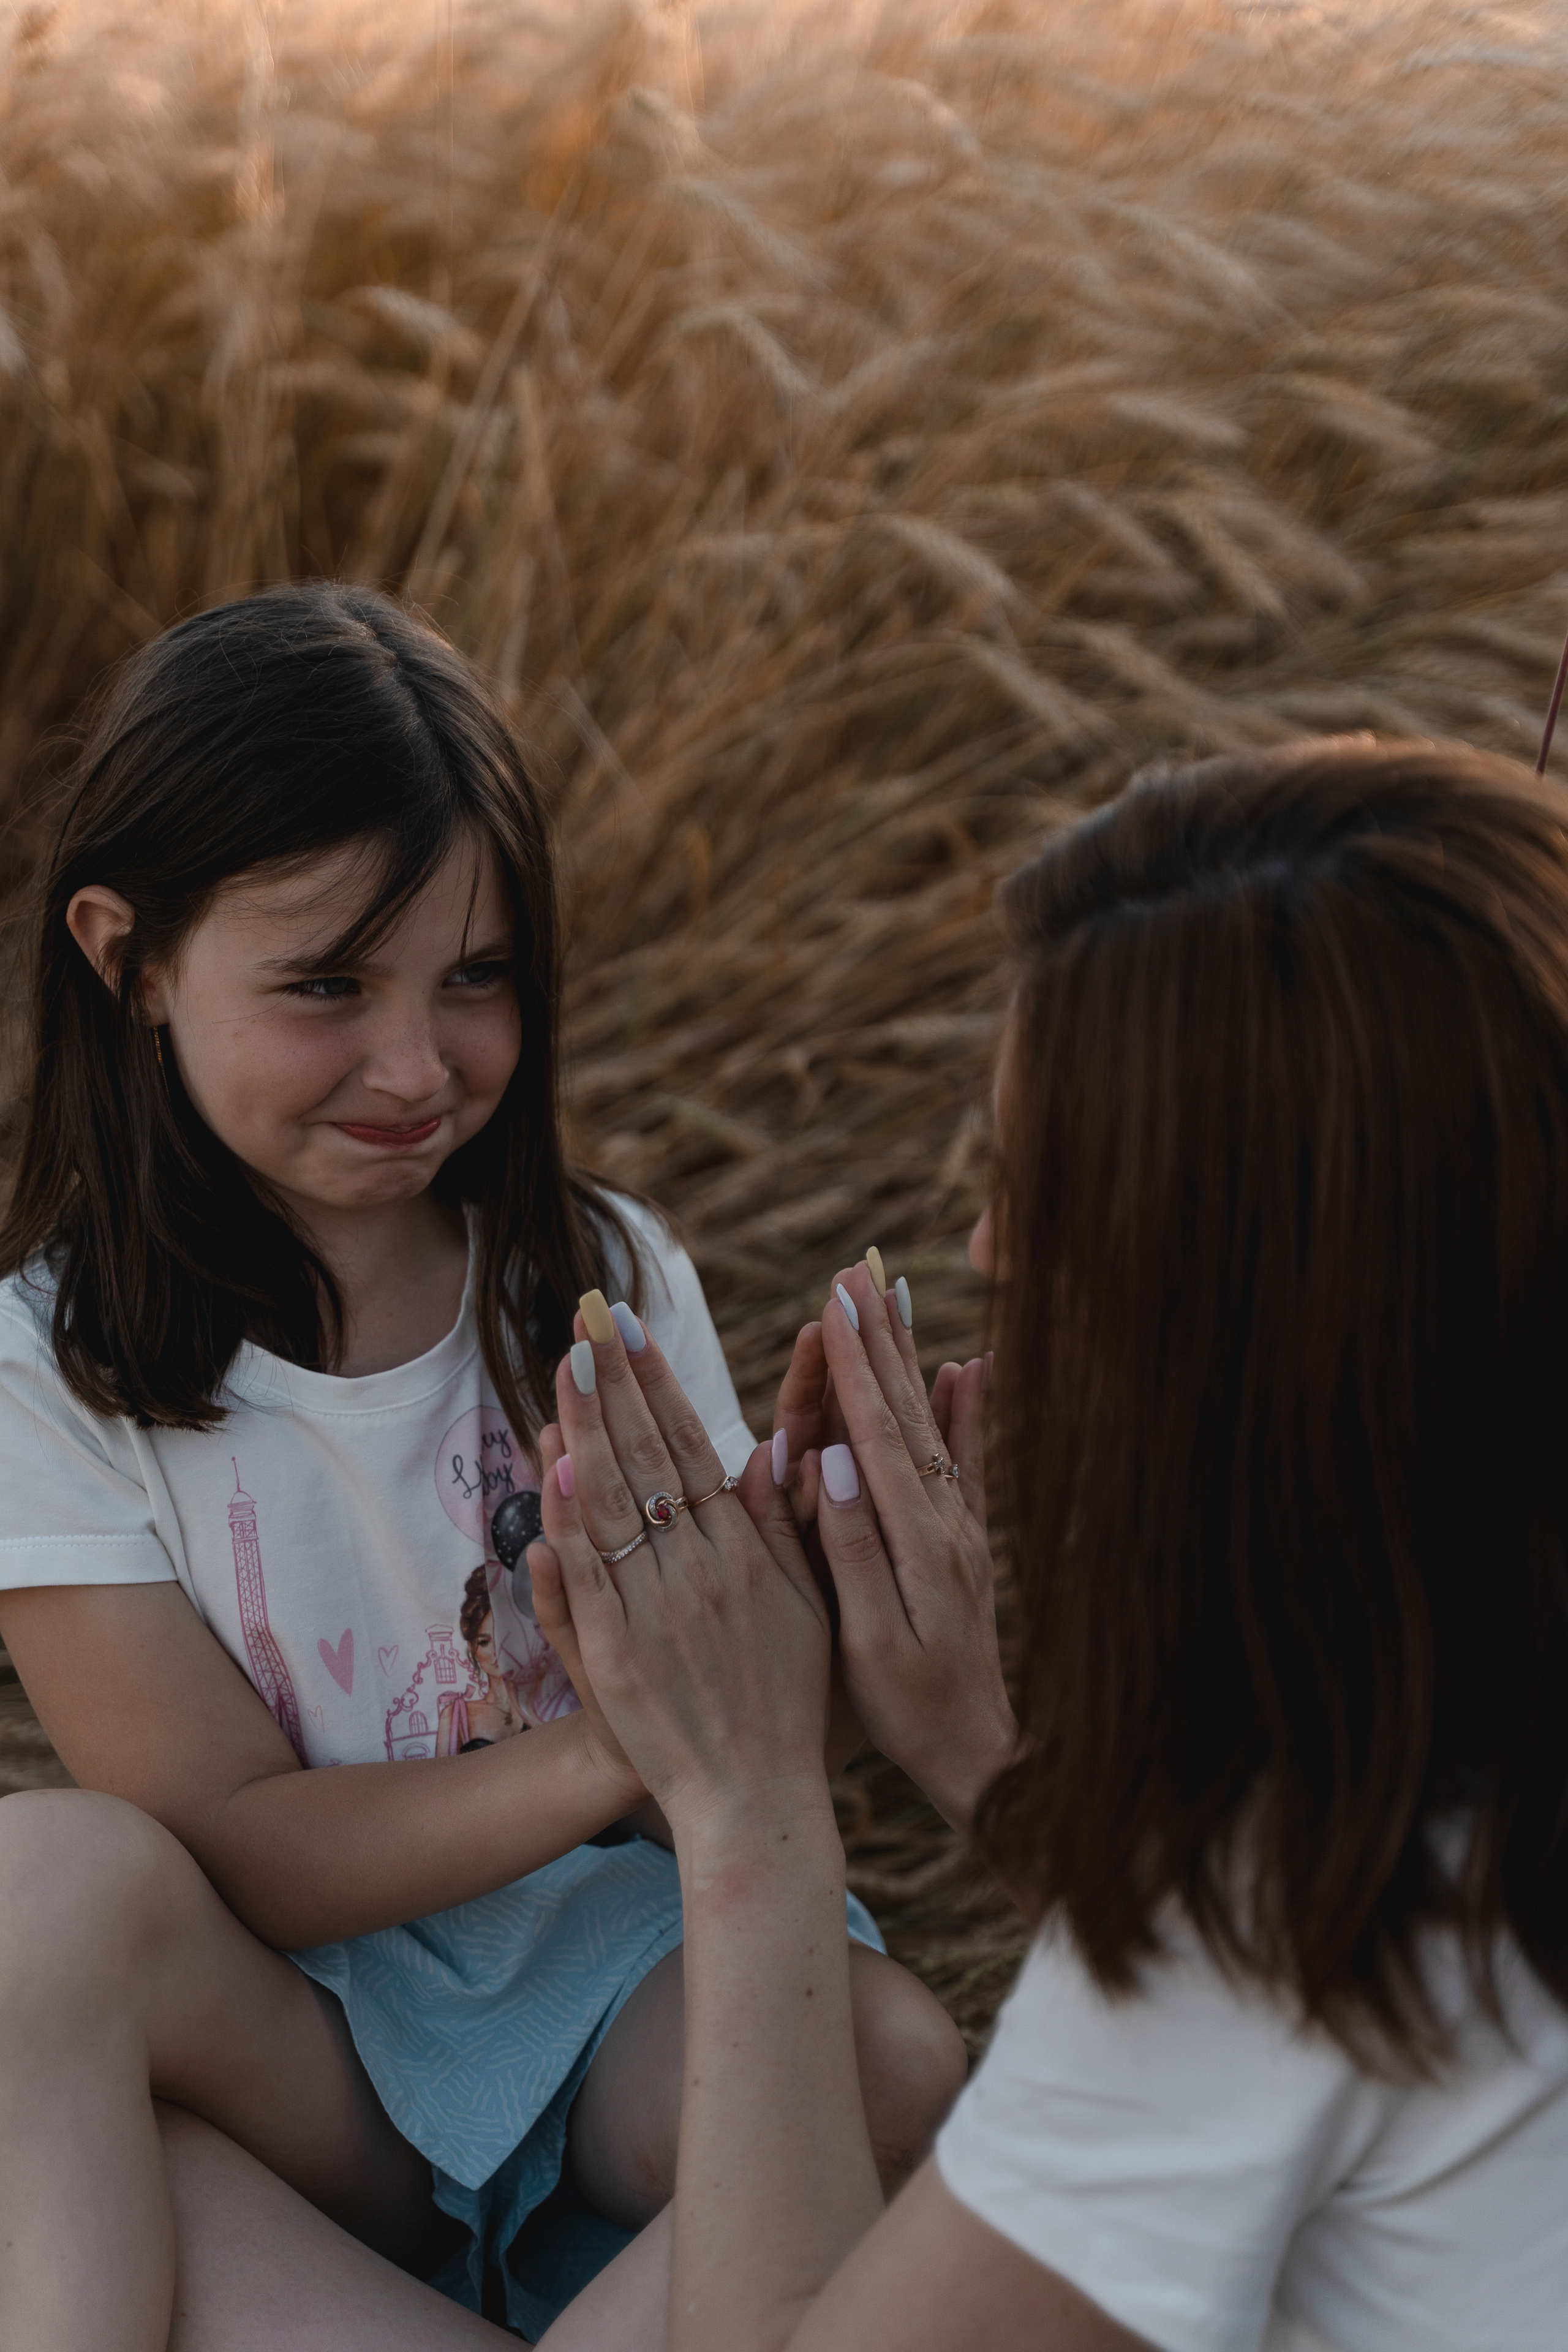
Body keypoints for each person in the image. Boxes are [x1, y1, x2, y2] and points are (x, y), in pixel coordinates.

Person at [0, 584, 965, 2351]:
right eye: (326, 985)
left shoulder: (595, 1276)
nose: (414, 1063)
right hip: (306, 2052)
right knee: (32, 1894)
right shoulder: (43, 1366)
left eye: (476, 978)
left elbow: (744, 1770)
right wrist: (632, 1727)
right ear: (128, 961)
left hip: (610, 1975)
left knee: (890, 2068)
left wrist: (826, 1593)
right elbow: (239, 1845)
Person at [527, 737, 1568, 2352]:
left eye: (1047, 1189)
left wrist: (749, 1806)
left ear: (1257, 1305)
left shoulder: (1282, 1932)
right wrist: (970, 1748)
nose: (989, 1247)